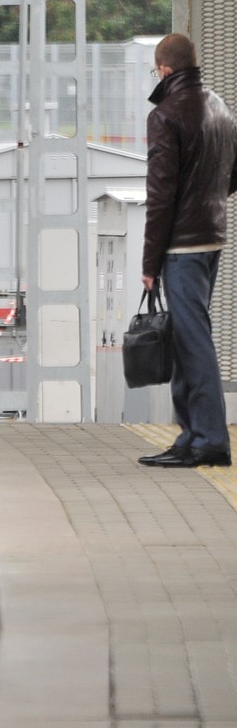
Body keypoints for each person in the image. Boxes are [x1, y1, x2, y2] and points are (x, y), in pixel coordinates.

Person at [138, 33, 237, 469]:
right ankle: (190, 434)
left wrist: (149, 261)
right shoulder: (218, 106)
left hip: (182, 244)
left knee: (192, 341)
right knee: (184, 336)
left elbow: (161, 195)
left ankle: (210, 440)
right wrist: (208, 200)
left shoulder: (165, 115)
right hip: (211, 235)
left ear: (163, 70)